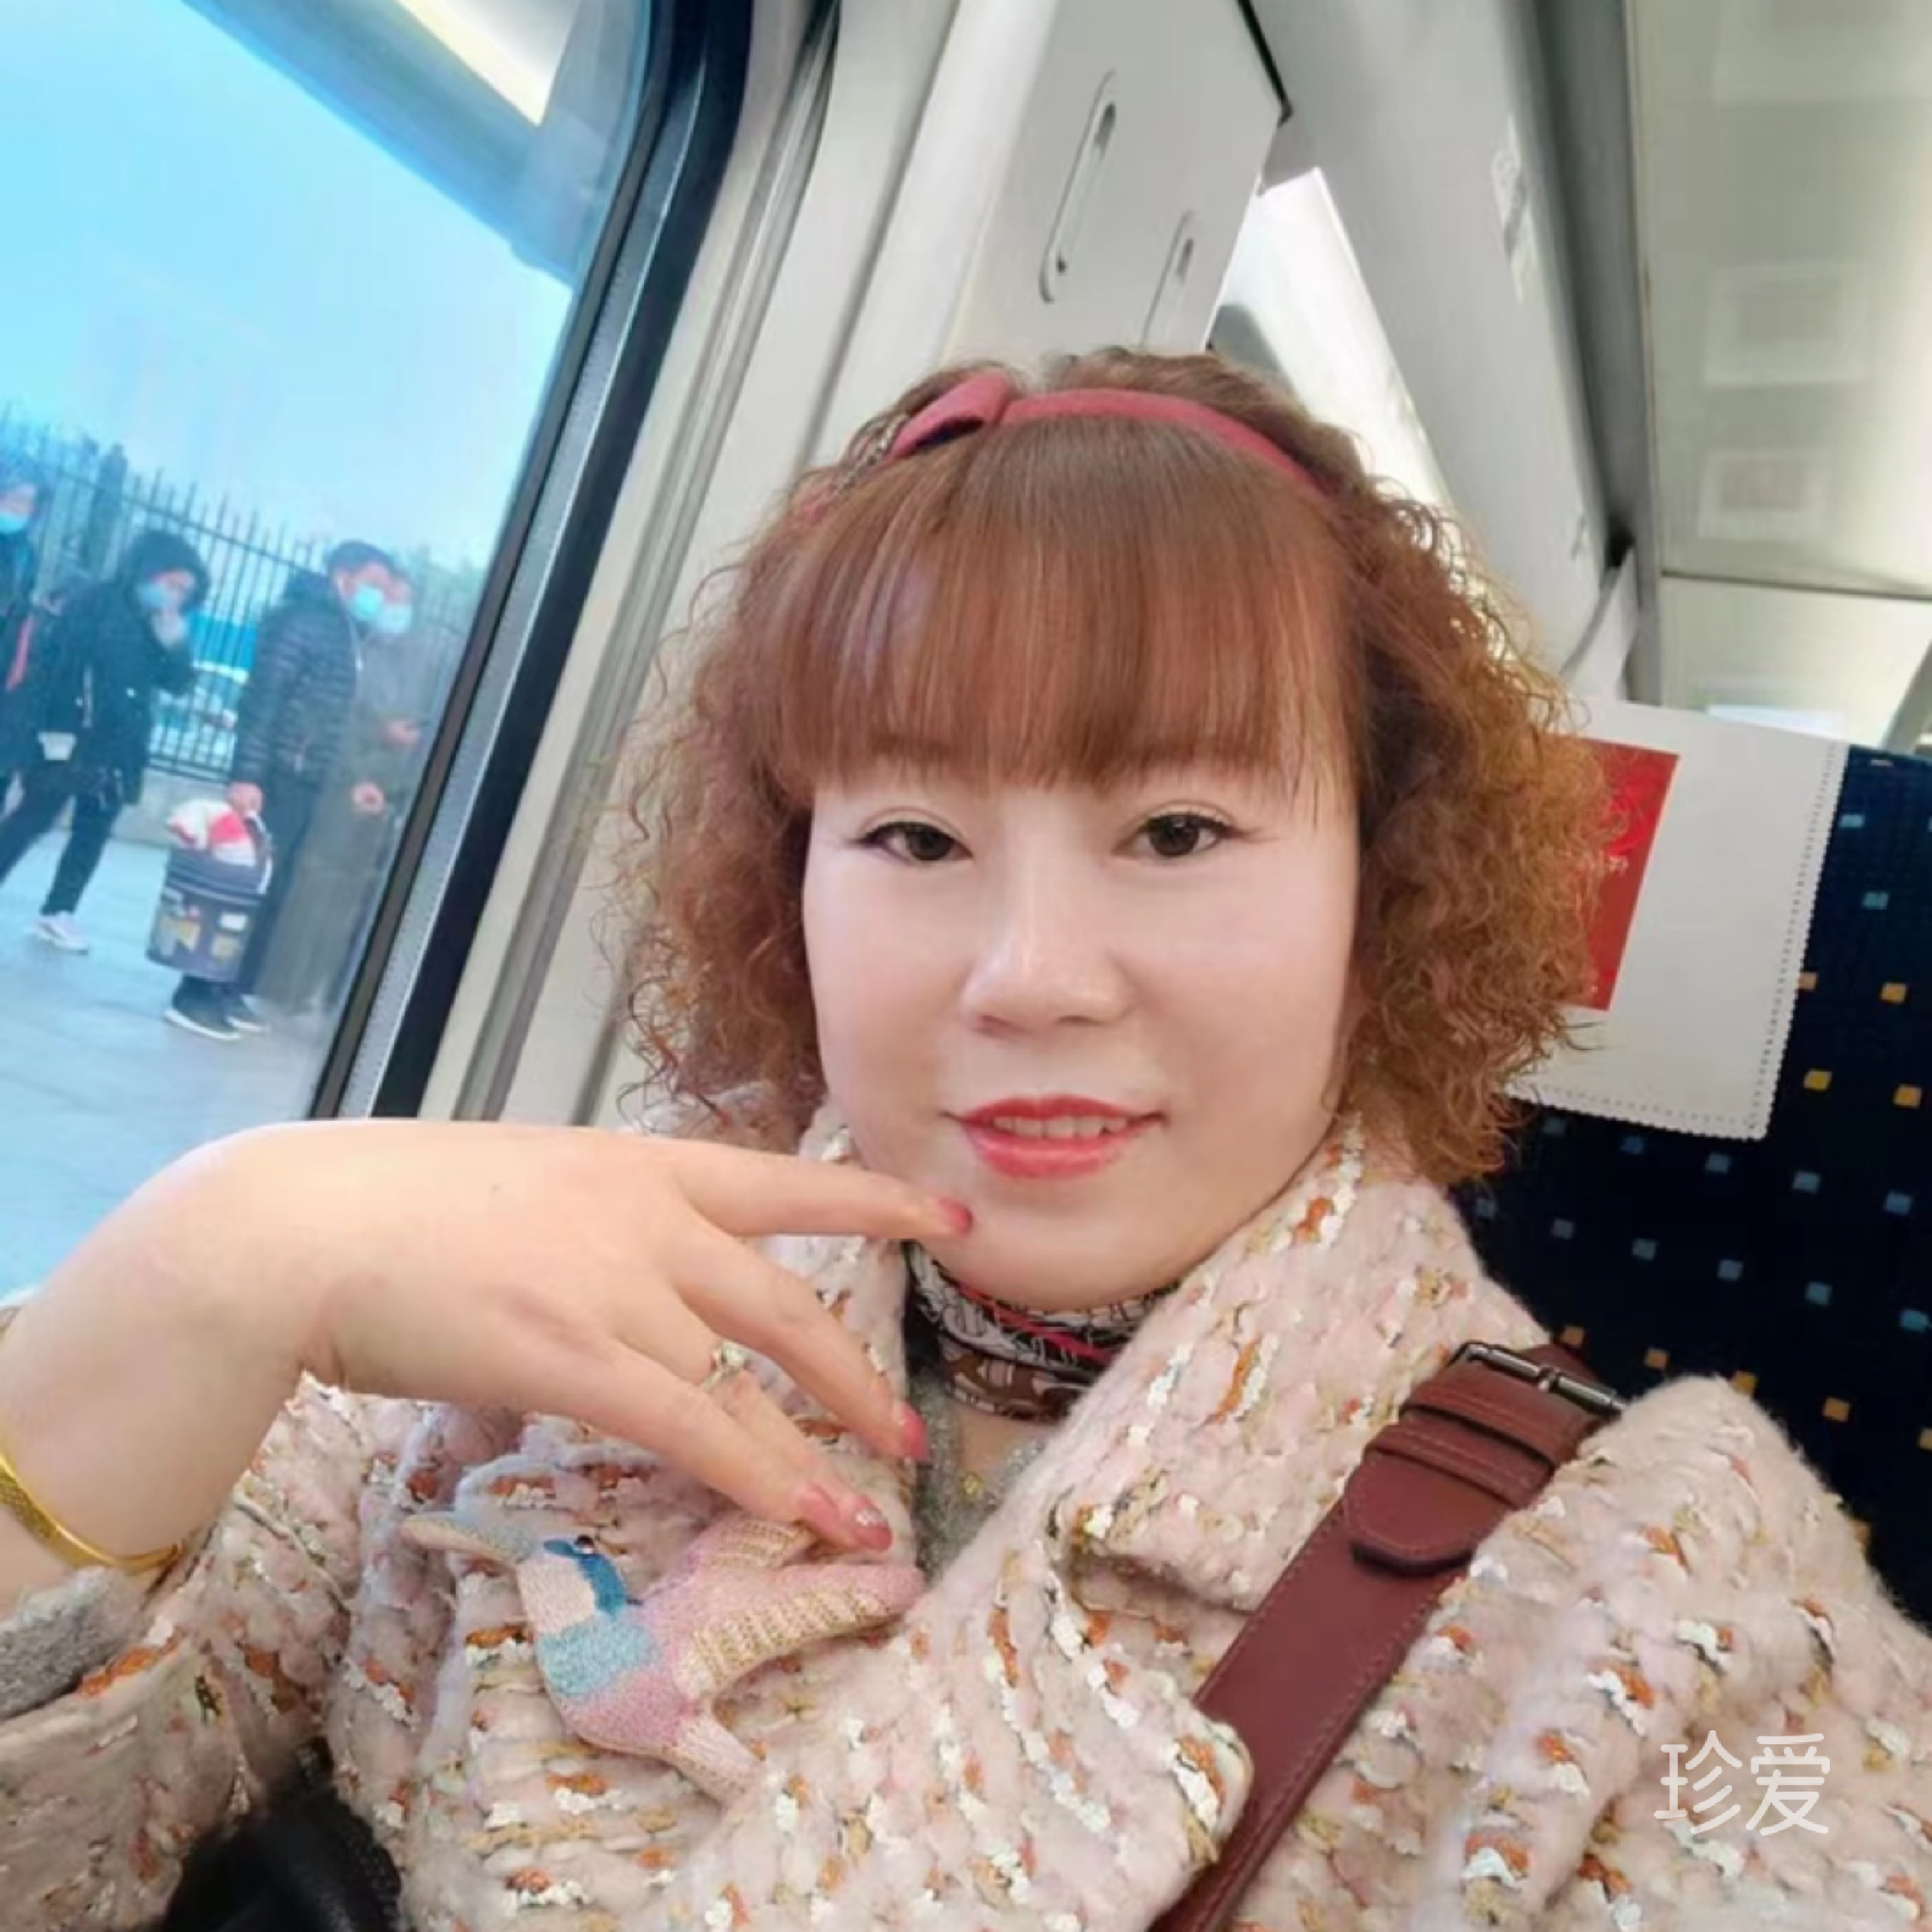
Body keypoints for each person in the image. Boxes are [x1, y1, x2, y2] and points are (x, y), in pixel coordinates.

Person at [0, 351, 1926, 1931]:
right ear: (797, 878)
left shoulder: (1660, 1590)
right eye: (914, 838)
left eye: (1177, 833)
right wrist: (221, 1252)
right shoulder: (523, 1314)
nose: (1032, 978)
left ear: (1381, 876)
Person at [168, 539, 394, 1042]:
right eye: (374, 586)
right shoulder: (304, 622)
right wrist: (247, 775)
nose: (379, 598)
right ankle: (195, 991)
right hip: (277, 774)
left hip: (307, 777)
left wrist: (350, 778)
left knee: (270, 889)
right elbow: (264, 699)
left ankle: (228, 986)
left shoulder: (345, 630)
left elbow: (335, 718)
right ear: (343, 576)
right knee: (241, 887)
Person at [0, 529, 207, 951]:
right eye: (171, 583)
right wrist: (54, 733)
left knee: (94, 829)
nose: (174, 596)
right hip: (74, 734)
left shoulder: (157, 623)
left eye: (184, 591)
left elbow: (179, 683)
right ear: (149, 570)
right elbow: (60, 669)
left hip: (121, 743)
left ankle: (60, 910)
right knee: (33, 817)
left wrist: (175, 642)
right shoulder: (97, 603)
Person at [0, 454, 49, 793]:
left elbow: (21, 608)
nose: (19, 508)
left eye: (27, 503)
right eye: (13, 497)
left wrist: (17, 663)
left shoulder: (26, 553)